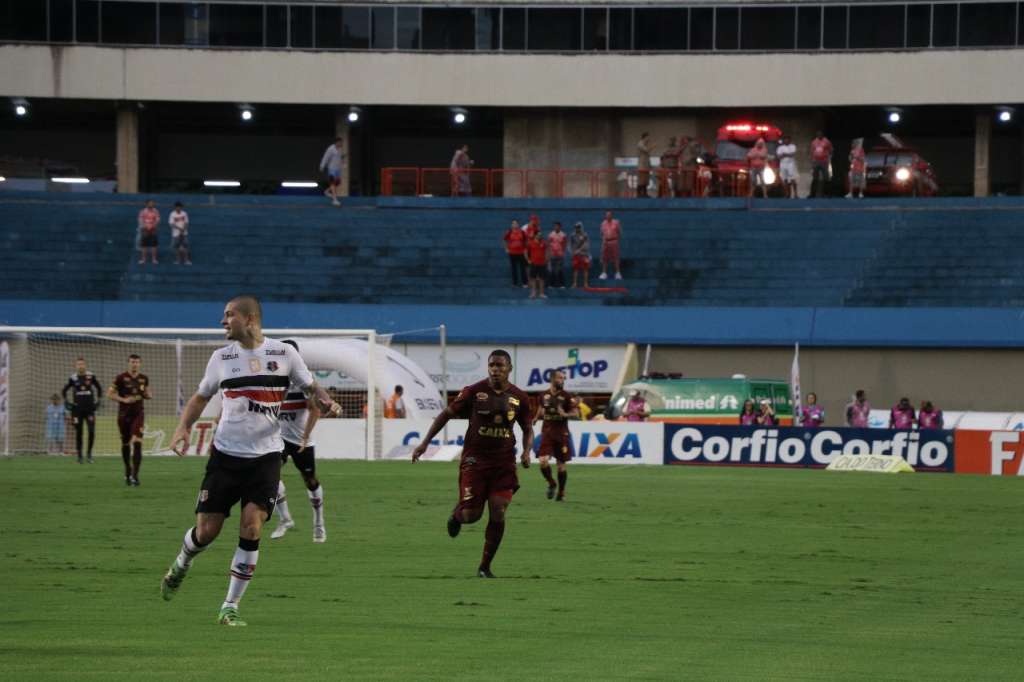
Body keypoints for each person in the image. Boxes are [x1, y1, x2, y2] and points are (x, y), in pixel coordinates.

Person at [159, 295, 341, 626]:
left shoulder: (284, 354)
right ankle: (182, 561)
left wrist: (327, 401)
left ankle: (230, 606)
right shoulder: (221, 358)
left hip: (266, 457)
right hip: (226, 456)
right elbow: (201, 397)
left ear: (250, 319)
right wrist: (183, 427)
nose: (222, 321)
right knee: (207, 531)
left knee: (252, 526)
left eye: (229, 315)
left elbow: (312, 387)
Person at [411, 350, 533, 578]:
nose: (496, 369)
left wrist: (527, 451)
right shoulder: (473, 392)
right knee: (472, 515)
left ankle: (485, 567)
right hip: (475, 461)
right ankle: (457, 515)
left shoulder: (520, 398)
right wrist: (425, 442)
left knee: (498, 510)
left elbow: (528, 428)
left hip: (504, 463)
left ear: (510, 368)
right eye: (492, 365)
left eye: (500, 365)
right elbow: (445, 414)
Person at [270, 339, 327, 543]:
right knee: (270, 475)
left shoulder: (304, 381)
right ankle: (285, 519)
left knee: (310, 481)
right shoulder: (274, 379)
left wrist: (304, 437)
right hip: (279, 439)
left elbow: (315, 410)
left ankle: (319, 523)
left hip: (301, 441)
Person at [534, 370, 578, 502]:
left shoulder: (567, 396)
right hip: (547, 432)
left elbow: (575, 412)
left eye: (563, 378)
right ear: (552, 379)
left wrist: (565, 414)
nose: (562, 380)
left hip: (561, 434)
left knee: (561, 465)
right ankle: (552, 483)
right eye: (560, 378)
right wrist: (536, 417)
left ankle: (561, 492)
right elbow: (541, 408)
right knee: (542, 461)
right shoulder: (544, 395)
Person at [108, 353, 151, 486]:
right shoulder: (120, 378)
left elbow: (148, 394)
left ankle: (135, 476)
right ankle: (128, 468)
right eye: (132, 362)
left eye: (137, 362)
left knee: (137, 441)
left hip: (138, 414)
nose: (135, 364)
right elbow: (109, 394)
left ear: (140, 364)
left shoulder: (144, 378)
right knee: (125, 443)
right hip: (123, 415)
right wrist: (123, 399)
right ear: (128, 363)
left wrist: (147, 395)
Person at [62, 358, 102, 463]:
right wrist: (67, 402)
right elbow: (64, 390)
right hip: (77, 411)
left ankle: (89, 455)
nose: (80, 366)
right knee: (79, 432)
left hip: (90, 410)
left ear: (85, 365)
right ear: (76, 366)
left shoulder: (91, 376)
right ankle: (79, 456)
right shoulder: (73, 378)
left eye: (82, 364)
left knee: (91, 431)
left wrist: (98, 401)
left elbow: (99, 388)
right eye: (78, 364)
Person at [319, 137, 345, 207]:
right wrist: (322, 166)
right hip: (331, 169)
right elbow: (326, 157)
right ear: (337, 142)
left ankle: (327, 191)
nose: (342, 143)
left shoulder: (340, 149)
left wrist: (343, 164)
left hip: (338, 169)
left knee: (338, 182)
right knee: (332, 183)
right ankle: (334, 200)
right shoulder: (331, 149)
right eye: (341, 142)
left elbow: (341, 157)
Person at [502, 219, 528, 288]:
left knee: (522, 268)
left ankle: (524, 283)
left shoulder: (522, 232)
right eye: (513, 223)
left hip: (521, 253)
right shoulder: (509, 232)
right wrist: (506, 249)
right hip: (512, 253)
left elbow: (526, 241)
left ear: (518, 225)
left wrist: (525, 249)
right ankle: (515, 283)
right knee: (514, 269)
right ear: (511, 225)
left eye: (516, 223)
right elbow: (504, 240)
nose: (515, 225)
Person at [599, 211, 622, 281]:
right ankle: (604, 273)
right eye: (606, 215)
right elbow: (602, 233)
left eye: (609, 215)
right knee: (604, 258)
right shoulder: (603, 223)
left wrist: (616, 240)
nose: (607, 216)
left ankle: (617, 273)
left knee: (616, 257)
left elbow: (619, 232)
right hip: (606, 241)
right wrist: (603, 242)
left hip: (614, 241)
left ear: (612, 215)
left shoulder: (616, 222)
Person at [809, 131, 833, 198]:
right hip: (816, 162)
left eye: (820, 134)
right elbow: (812, 151)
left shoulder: (827, 141)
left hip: (824, 162)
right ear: (816, 135)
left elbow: (831, 150)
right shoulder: (814, 142)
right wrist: (812, 161)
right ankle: (812, 194)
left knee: (826, 178)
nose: (819, 135)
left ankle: (828, 194)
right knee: (815, 178)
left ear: (822, 135)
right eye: (818, 134)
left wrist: (828, 158)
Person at [526, 229, 548, 300]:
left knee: (542, 279)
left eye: (541, 235)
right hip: (534, 263)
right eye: (538, 235)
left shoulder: (544, 243)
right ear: (535, 235)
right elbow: (525, 251)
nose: (540, 236)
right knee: (533, 279)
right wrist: (528, 260)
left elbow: (548, 251)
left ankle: (541, 293)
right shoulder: (530, 243)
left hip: (542, 263)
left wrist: (547, 259)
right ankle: (533, 293)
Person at [137, 199, 160, 265]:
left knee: (154, 245)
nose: (151, 204)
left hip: (153, 229)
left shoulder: (156, 211)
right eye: (150, 203)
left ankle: (154, 259)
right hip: (145, 230)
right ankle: (143, 259)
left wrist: (153, 226)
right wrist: (146, 227)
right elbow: (140, 220)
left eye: (152, 203)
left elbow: (158, 219)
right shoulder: (142, 211)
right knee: (144, 245)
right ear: (146, 204)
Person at [776, 135, 799, 199]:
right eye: (785, 139)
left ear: (790, 140)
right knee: (785, 179)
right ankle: (787, 194)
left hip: (791, 164)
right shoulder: (780, 147)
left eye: (787, 139)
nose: (786, 140)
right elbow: (779, 157)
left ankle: (795, 194)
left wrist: (784, 154)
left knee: (792, 179)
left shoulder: (793, 146)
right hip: (783, 164)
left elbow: (792, 154)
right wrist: (786, 155)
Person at [570, 222, 591, 289]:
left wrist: (580, 250)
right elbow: (570, 245)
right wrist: (572, 252)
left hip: (584, 254)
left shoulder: (585, 235)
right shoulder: (572, 235)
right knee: (575, 269)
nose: (577, 228)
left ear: (581, 227)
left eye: (579, 227)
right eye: (576, 227)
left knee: (585, 269)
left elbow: (587, 245)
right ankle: (575, 283)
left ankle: (585, 284)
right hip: (576, 255)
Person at [547, 221, 568, 289]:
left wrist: (562, 252)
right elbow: (548, 244)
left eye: (557, 226)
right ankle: (551, 284)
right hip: (552, 255)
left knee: (560, 270)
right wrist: (549, 253)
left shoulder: (563, 235)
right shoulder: (551, 234)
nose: (556, 227)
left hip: (560, 255)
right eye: (555, 226)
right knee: (552, 270)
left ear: (560, 227)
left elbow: (565, 244)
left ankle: (562, 284)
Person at [636, 132, 654, 198]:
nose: (649, 139)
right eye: (648, 137)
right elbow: (646, 150)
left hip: (646, 166)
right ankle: (639, 194)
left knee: (646, 181)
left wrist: (650, 165)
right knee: (641, 180)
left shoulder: (645, 144)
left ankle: (645, 194)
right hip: (642, 166)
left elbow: (648, 155)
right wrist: (652, 147)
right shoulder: (640, 143)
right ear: (645, 137)